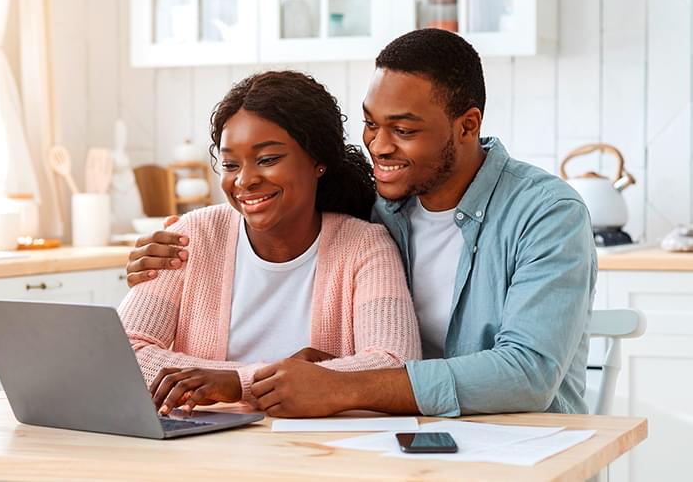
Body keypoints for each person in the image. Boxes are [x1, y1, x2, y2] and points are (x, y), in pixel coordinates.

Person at [126, 29, 596, 418]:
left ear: (467, 126)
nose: (380, 146)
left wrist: (336, 387)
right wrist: (153, 267)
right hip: (406, 440)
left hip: (524, 443)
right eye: (372, 124)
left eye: (404, 130)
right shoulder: (379, 208)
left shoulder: (546, 214)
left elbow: (527, 375)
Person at [118, 70, 421, 416]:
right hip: (206, 451)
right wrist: (258, 378)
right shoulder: (192, 236)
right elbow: (122, 352)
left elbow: (396, 366)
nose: (245, 180)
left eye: (268, 159)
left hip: (322, 455)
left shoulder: (365, 247)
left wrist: (233, 384)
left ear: (318, 160)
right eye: (231, 164)